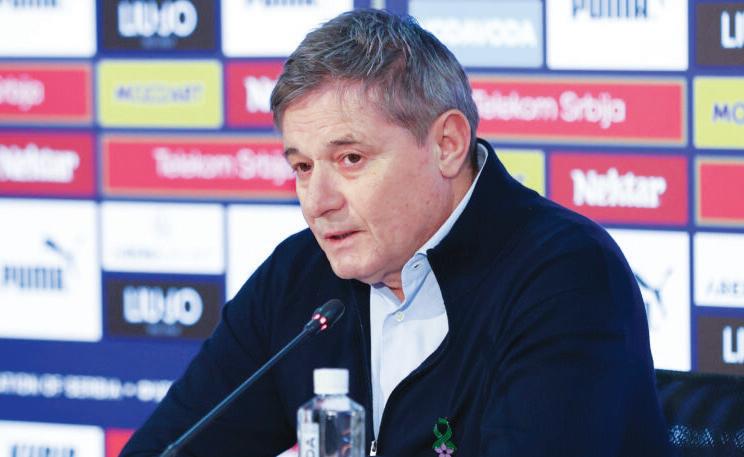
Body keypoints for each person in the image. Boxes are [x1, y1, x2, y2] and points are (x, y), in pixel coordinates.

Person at [122, 9, 672, 457]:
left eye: (351, 158)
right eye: (303, 167)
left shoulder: (566, 276)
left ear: (447, 145)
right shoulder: (299, 277)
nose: (318, 202)